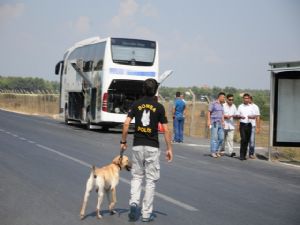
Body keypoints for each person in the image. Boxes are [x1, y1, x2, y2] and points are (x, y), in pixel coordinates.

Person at [120, 78, 173, 222]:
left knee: (137, 176)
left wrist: (123, 142)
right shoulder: (159, 107)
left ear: (143, 89)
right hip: (152, 146)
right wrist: (169, 149)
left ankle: (133, 202)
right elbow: (166, 130)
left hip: (137, 145)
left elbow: (126, 124)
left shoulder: (135, 104)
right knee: (150, 180)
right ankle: (146, 213)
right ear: (156, 90)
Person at [237, 93, 256, 160]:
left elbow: (255, 116)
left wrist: (251, 116)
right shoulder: (240, 106)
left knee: (247, 141)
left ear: (249, 99)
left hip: (249, 125)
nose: (246, 100)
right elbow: (237, 115)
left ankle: (244, 155)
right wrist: (240, 116)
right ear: (243, 99)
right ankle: (241, 155)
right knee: (243, 139)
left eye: (247, 98)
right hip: (242, 124)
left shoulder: (251, 106)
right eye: (245, 98)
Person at [207, 92, 225, 158]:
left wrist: (223, 122)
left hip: (220, 123)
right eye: (223, 97)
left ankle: (217, 150)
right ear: (219, 97)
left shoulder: (222, 105)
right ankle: (213, 152)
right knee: (214, 138)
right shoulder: (213, 103)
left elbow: (222, 113)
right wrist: (208, 121)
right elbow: (209, 112)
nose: (224, 99)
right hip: (214, 122)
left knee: (221, 138)